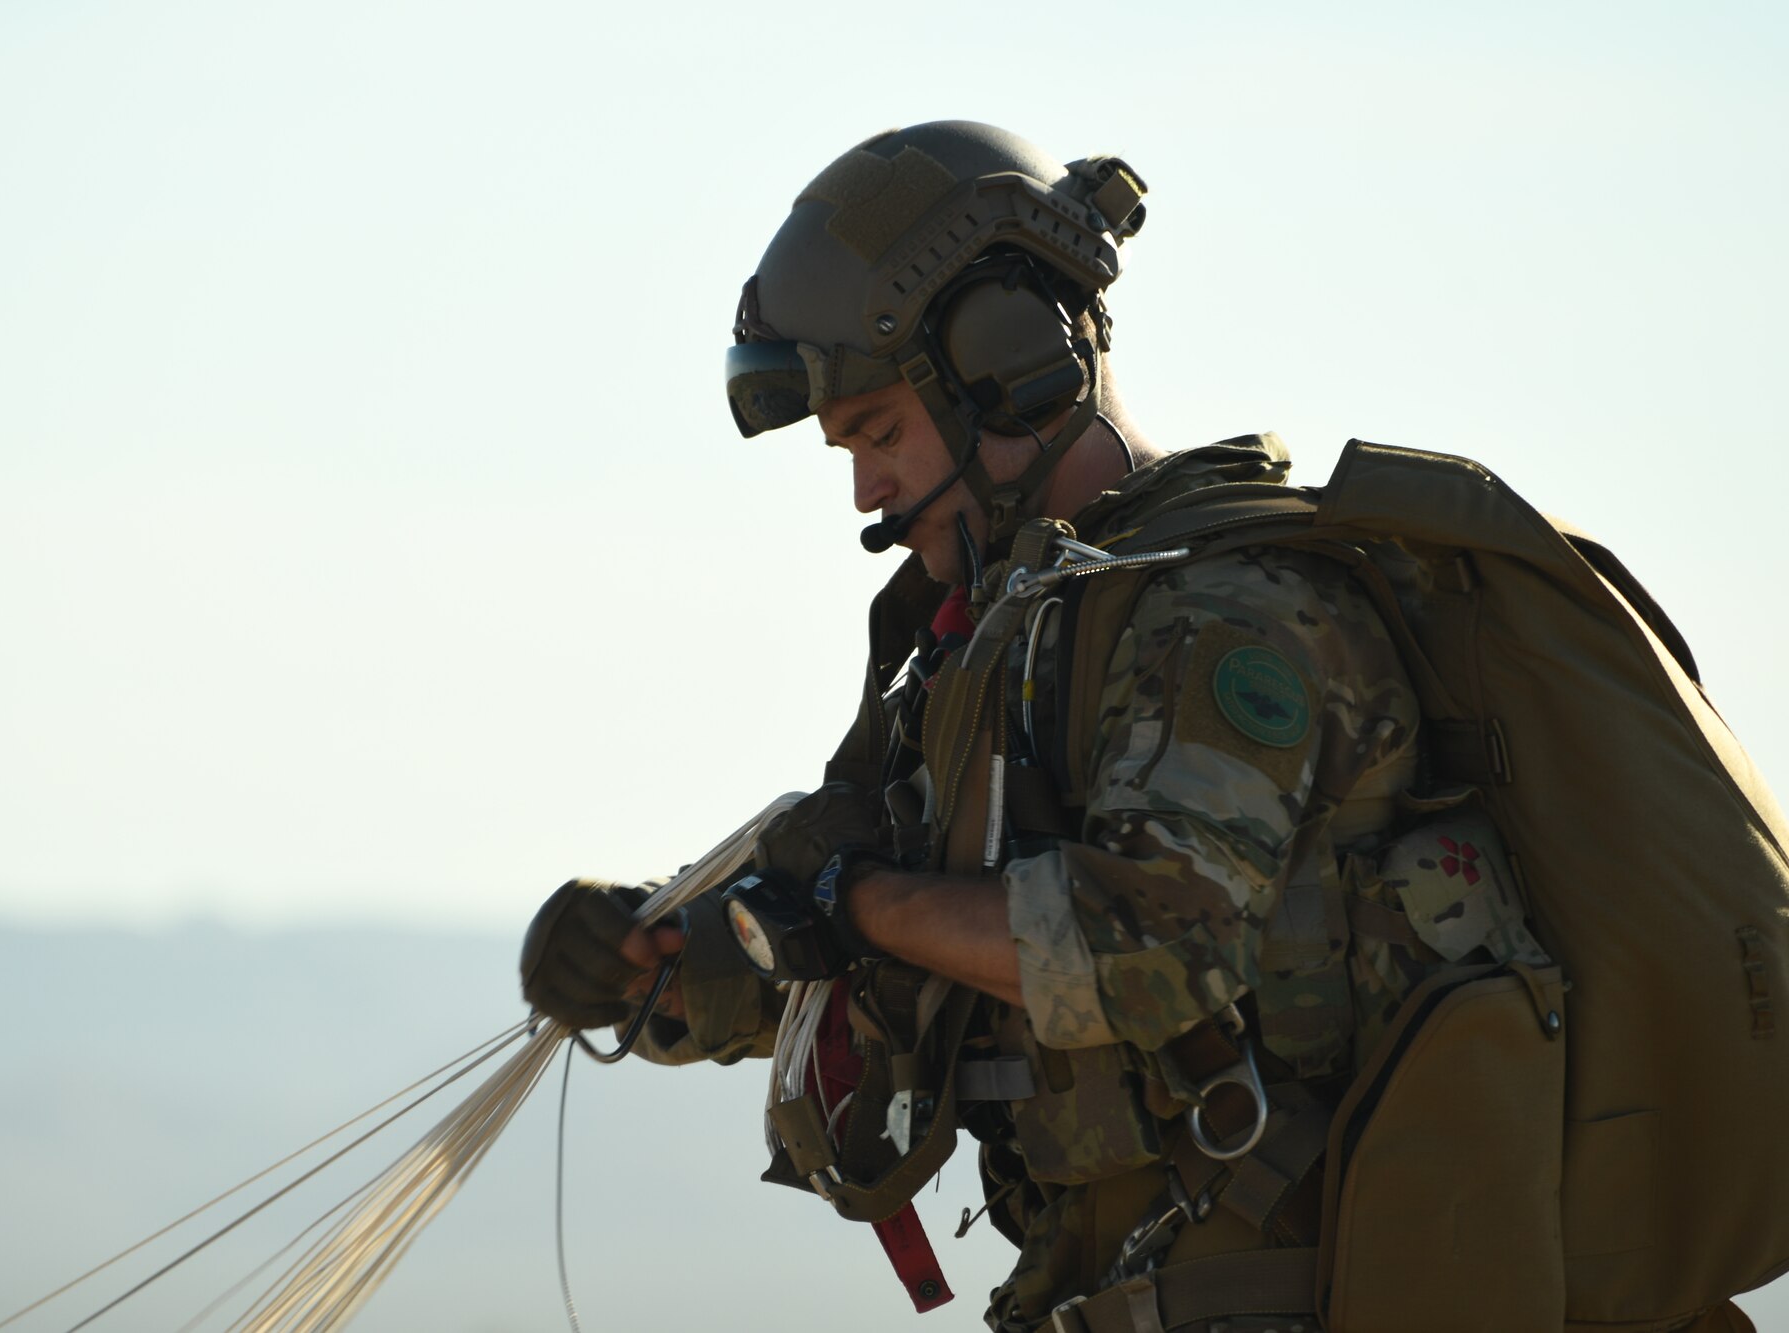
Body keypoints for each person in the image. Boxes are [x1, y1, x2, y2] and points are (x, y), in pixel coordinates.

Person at [518, 121, 1752, 1333]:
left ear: (1008, 365)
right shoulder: (1004, 646)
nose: (866, 492)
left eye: (879, 433)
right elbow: (880, 927)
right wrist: (648, 960)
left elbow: (1143, 949)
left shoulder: (1227, 613)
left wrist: (856, 899)